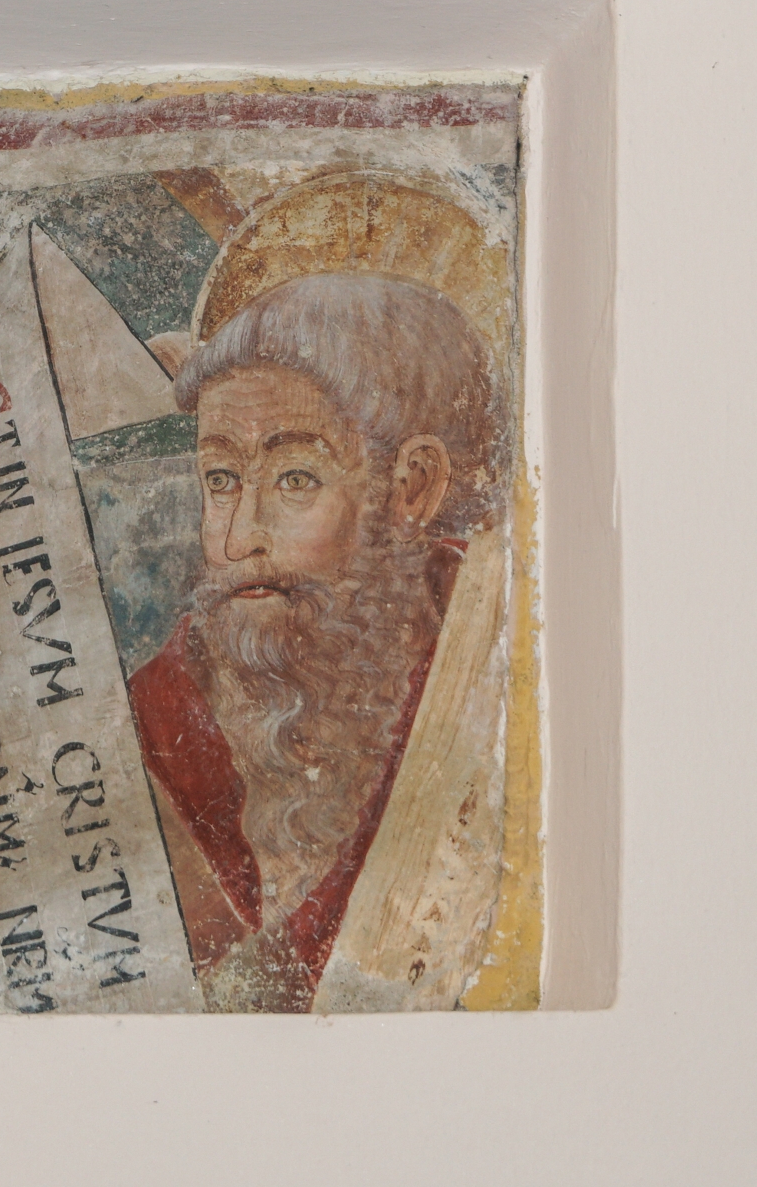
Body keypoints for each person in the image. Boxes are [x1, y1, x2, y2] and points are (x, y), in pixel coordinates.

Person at [127, 272, 510, 1012]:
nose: (238, 539)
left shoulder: (492, 662)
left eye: (295, 479)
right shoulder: (160, 715)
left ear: (412, 488)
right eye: (221, 479)